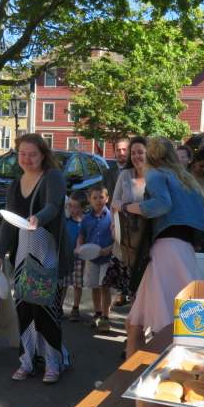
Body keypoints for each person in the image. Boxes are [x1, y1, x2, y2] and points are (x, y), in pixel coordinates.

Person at [122, 136, 204, 358]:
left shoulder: (156, 174)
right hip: (185, 251)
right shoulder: (186, 180)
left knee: (159, 321)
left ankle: (145, 370)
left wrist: (129, 207)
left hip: (165, 250)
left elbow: (161, 205)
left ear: (151, 157)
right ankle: (141, 368)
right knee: (147, 317)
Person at [0, 133, 72, 384]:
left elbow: (53, 206)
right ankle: (27, 361)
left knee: (46, 310)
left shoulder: (52, 177)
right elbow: (8, 223)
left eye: (32, 154)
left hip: (47, 254)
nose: (27, 159)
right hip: (21, 256)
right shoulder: (14, 185)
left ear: (43, 155)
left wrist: (39, 218)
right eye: (22, 154)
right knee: (25, 309)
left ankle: (53, 362)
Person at [107, 135, 148, 308]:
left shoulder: (156, 176)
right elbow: (114, 203)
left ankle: (142, 321)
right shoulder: (125, 175)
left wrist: (125, 207)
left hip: (146, 239)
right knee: (128, 285)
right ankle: (131, 322)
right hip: (125, 237)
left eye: (140, 152)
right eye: (133, 153)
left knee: (145, 287)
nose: (136, 156)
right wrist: (114, 227)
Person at [78, 184, 114, 333]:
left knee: (105, 287)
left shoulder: (112, 217)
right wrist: (79, 247)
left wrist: (109, 249)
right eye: (95, 198)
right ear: (89, 200)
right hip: (91, 258)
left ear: (107, 198)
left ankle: (105, 317)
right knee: (94, 287)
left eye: (101, 197)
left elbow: (118, 238)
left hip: (107, 258)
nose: (98, 200)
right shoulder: (86, 219)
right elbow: (81, 235)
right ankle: (97, 313)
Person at [64, 192, 86, 321]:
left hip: (79, 258)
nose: (72, 209)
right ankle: (59, 307)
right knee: (63, 283)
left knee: (78, 284)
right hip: (66, 257)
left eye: (75, 206)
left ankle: (75, 308)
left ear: (82, 208)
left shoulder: (85, 222)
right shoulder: (66, 221)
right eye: (70, 206)